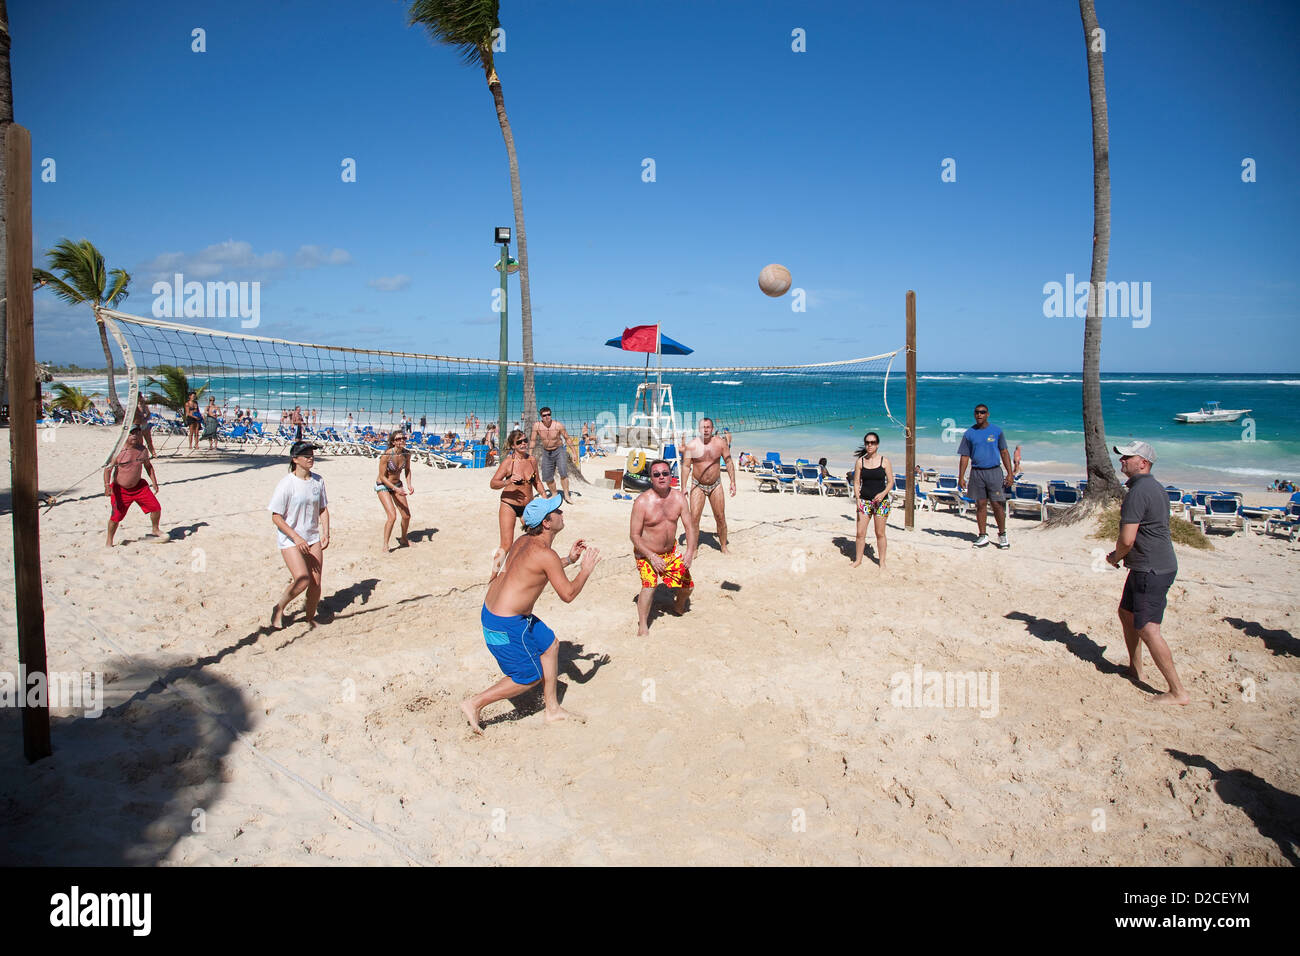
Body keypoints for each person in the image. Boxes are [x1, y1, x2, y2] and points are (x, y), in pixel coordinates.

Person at [462, 495, 599, 733]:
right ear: (547, 523)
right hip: (505, 624)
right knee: (529, 675)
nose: (562, 514)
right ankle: (475, 703)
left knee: (550, 645)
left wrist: (570, 559)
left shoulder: (524, 540)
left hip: (496, 613)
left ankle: (552, 709)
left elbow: (537, 569)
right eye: (558, 511)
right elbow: (567, 594)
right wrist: (585, 570)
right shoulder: (545, 554)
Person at [1106, 441, 1188, 705]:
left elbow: (1127, 539)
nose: (1122, 461)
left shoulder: (1139, 492)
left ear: (1143, 462)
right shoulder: (1153, 487)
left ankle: (1178, 692)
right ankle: (1135, 668)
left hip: (1151, 569)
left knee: (1148, 628)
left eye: (1127, 457)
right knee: (1126, 613)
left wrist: (1115, 556)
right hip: (1148, 565)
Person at [630, 458, 698, 635]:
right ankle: (643, 624)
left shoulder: (679, 498)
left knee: (688, 587)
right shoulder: (642, 502)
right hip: (646, 554)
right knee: (649, 586)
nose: (661, 477)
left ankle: (678, 605)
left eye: (665, 473)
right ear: (651, 478)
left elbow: (689, 526)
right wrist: (652, 556)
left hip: (670, 552)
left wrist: (690, 551)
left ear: (670, 476)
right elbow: (634, 536)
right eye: (657, 474)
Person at [268, 441, 330, 629]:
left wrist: (326, 532)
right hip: (291, 538)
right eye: (306, 455)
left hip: (312, 537)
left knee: (316, 583)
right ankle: (279, 608)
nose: (310, 457)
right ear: (295, 459)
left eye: (312, 454)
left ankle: (310, 618)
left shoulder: (318, 481)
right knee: (302, 579)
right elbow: (276, 517)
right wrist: (296, 537)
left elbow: (323, 509)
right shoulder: (286, 484)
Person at [957, 403, 1014, 549]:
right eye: (977, 412)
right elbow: (964, 456)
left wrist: (1010, 473)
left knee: (997, 504)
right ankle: (982, 535)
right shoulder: (969, 433)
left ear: (987, 414)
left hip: (994, 471)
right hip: (977, 472)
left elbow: (1004, 452)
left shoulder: (996, 431)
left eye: (982, 412)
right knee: (980, 505)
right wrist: (961, 476)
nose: (979, 415)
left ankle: (1002, 534)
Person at [489, 428, 545, 576]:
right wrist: (507, 482)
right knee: (506, 544)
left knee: (537, 538)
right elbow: (493, 483)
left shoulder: (532, 460)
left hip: (527, 506)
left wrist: (545, 497)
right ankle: (493, 577)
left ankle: (529, 570)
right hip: (509, 505)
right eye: (519, 442)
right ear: (513, 445)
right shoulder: (509, 462)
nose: (523, 443)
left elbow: (537, 482)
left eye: (525, 440)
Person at [682, 417, 736, 553]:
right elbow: (686, 467)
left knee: (720, 517)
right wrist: (683, 487)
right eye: (703, 427)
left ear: (712, 429)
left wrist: (733, 482)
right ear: (699, 429)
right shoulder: (691, 445)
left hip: (715, 484)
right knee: (694, 519)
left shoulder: (721, 443)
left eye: (708, 427)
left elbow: (728, 462)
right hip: (697, 485)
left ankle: (723, 546)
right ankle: (693, 548)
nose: (705, 429)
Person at [103, 425, 162, 546]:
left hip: (139, 487)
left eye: (137, 433)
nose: (134, 436)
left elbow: (148, 466)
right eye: (131, 433)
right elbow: (107, 470)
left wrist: (154, 482)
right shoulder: (118, 451)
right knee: (116, 517)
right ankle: (109, 541)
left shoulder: (142, 450)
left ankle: (155, 529)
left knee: (156, 508)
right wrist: (107, 486)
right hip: (120, 489)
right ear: (125, 435)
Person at [852, 432, 892, 569]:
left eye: (873, 442)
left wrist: (883, 494)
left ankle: (882, 562)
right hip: (864, 501)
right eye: (867, 442)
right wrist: (857, 499)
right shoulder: (860, 462)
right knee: (860, 533)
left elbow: (891, 482)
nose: (870, 445)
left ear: (877, 445)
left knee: (880, 533)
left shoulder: (884, 461)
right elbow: (856, 482)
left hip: (882, 502)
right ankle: (858, 560)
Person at [375, 431, 413, 551]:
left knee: (406, 516)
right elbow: (382, 476)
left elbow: (407, 470)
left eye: (403, 438)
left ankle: (403, 539)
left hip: (397, 484)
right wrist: (395, 488)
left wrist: (409, 484)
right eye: (398, 439)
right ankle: (385, 544)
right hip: (383, 485)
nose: (402, 440)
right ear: (393, 442)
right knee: (392, 516)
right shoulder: (386, 455)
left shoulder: (406, 454)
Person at [531, 407, 574, 504]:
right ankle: (554, 494)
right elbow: (533, 440)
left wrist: (574, 453)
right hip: (546, 451)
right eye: (544, 415)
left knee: (563, 472)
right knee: (547, 476)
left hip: (559, 450)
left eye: (548, 414)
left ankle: (566, 495)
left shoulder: (558, 425)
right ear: (541, 417)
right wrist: (529, 455)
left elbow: (567, 438)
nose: (547, 417)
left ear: (551, 415)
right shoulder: (537, 426)